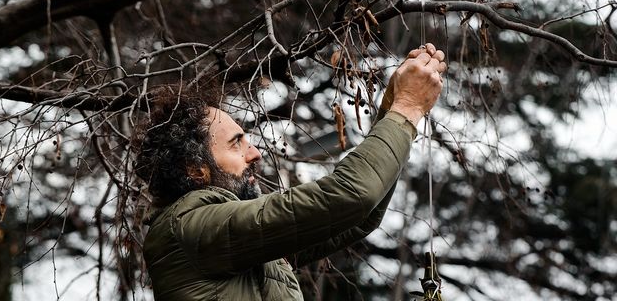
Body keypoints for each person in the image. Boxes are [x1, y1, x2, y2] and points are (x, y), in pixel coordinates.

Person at [135, 43, 447, 301]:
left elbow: (358, 217)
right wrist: (406, 109)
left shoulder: (231, 243)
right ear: (196, 170)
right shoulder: (190, 226)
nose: (255, 153)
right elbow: (352, 196)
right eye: (235, 144)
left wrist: (391, 112)